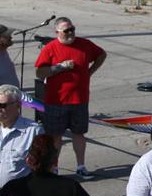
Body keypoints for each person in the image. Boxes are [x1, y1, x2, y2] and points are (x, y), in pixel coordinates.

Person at [34, 17, 107, 180]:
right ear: (57, 32)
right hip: (56, 101)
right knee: (55, 137)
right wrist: (59, 67)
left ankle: (81, 166)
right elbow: (40, 72)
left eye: (72, 29)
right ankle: (54, 168)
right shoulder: (50, 48)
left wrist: (90, 71)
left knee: (79, 133)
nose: (70, 33)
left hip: (80, 99)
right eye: (66, 30)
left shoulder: (85, 44)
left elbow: (102, 55)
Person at [0, 85, 41, 192]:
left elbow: (42, 166)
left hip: (20, 195)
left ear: (18, 105)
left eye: (3, 105)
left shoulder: (33, 131)